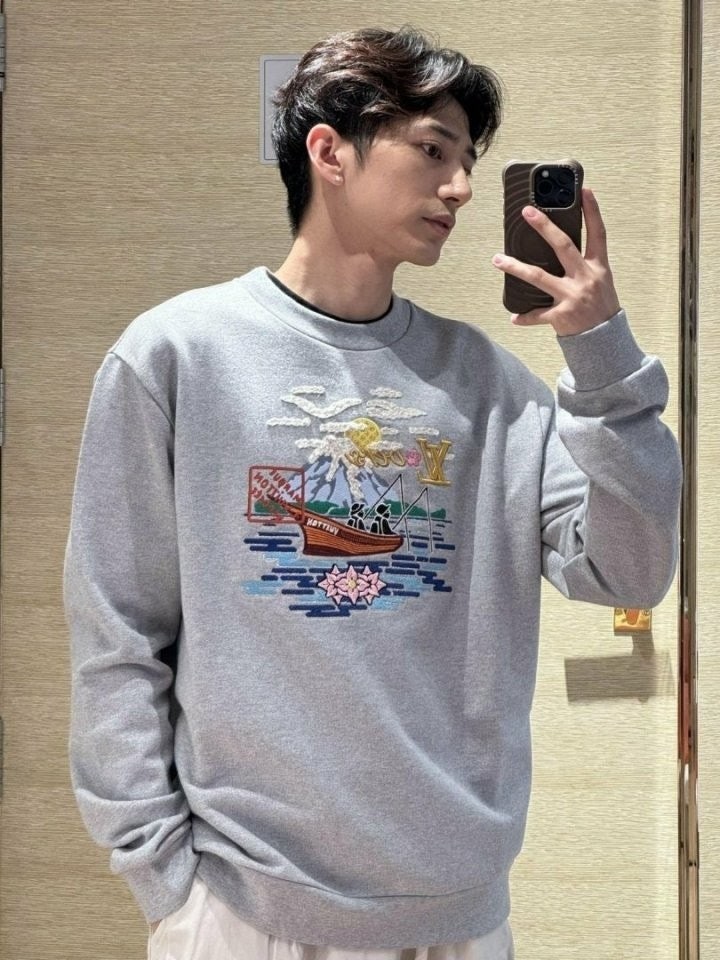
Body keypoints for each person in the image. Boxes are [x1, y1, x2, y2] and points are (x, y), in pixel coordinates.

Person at [64, 25, 682, 960]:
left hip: (459, 917)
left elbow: (630, 573)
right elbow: (117, 632)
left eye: (468, 161)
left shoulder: (492, 389)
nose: (460, 187)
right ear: (330, 153)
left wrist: (602, 360)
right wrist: (164, 881)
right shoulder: (175, 358)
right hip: (243, 911)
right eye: (432, 150)